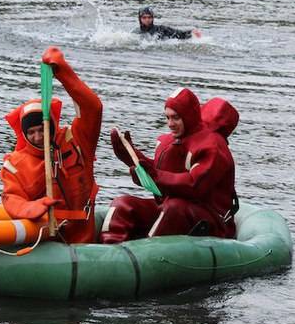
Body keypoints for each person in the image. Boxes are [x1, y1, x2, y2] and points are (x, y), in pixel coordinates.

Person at [100, 87, 238, 244]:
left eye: (176, 118)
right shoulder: (172, 142)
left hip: (211, 219)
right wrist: (133, 159)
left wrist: (155, 175)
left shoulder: (213, 147)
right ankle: (110, 251)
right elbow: (162, 177)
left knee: (174, 208)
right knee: (122, 203)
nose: (170, 124)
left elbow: (194, 184)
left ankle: (145, 254)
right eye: (167, 118)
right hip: (169, 208)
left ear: (189, 117)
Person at [0, 46, 103, 244]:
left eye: (41, 129)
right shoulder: (16, 164)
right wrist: (34, 208)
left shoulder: (77, 140)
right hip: (45, 243)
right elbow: (11, 199)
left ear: (51, 125)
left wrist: (63, 72)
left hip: (84, 241)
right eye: (31, 132)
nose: (38, 137)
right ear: (24, 133)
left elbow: (93, 108)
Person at [134, 6, 202, 40]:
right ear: (140, 19)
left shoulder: (161, 29)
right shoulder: (136, 32)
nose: (147, 20)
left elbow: (180, 34)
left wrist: (192, 32)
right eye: (144, 18)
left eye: (149, 17)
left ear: (152, 18)